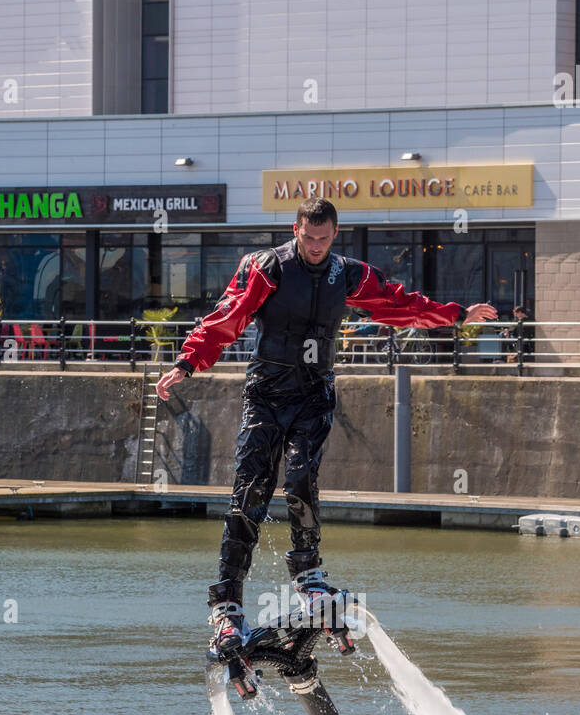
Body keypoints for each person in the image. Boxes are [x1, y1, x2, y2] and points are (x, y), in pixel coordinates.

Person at [155, 196, 497, 676]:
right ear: (296, 229)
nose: (315, 247)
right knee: (250, 492)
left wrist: (455, 315)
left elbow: (398, 304)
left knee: (299, 480)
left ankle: (309, 578)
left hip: (315, 392)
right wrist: (188, 362)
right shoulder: (266, 266)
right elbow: (227, 316)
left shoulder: (347, 274)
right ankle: (227, 603)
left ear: (335, 234)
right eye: (308, 237)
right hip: (268, 392)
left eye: (324, 238)